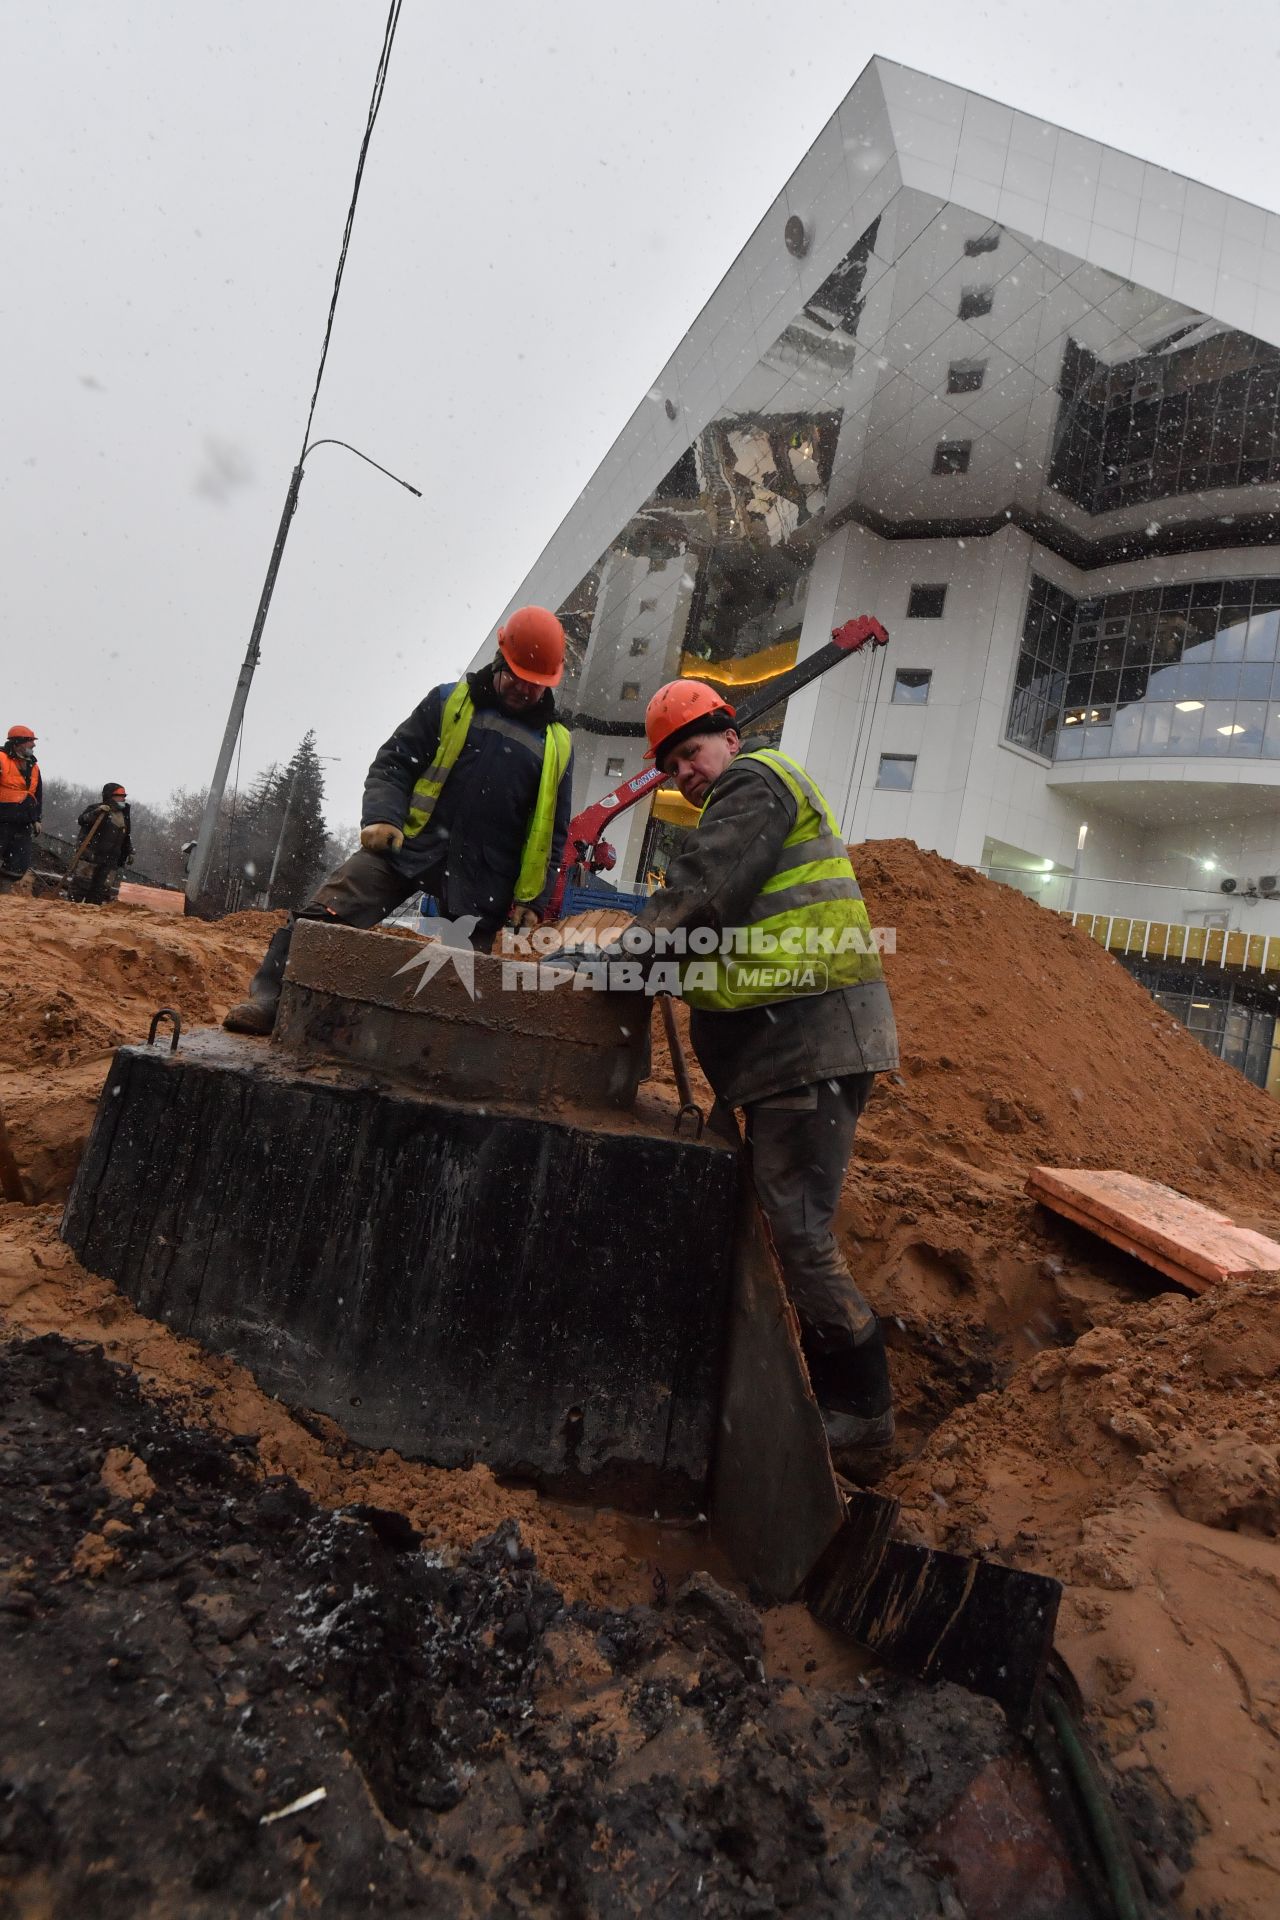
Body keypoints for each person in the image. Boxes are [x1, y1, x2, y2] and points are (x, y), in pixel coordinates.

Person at [611, 679, 900, 1481]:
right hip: (790, 1046)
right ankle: (813, 1383)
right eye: (670, 765)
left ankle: (863, 1413)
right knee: (780, 1222)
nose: (684, 772)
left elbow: (705, 890)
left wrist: (630, 954)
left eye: (691, 751)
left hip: (809, 1041)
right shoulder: (748, 796)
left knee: (797, 1226)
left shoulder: (756, 782)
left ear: (729, 737)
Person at [223, 607, 575, 1034]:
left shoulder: (557, 745)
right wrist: (383, 818)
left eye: (535, 683)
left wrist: (532, 901)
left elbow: (550, 833)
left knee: (458, 979)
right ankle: (269, 999)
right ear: (501, 660)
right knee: (327, 915)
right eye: (518, 675)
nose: (524, 688)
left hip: (483, 876)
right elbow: (394, 764)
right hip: (408, 844)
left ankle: (429, 1053)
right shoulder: (449, 702)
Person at [68, 784, 133, 904]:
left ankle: (91, 916)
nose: (123, 799)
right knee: (80, 886)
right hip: (91, 856)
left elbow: (126, 836)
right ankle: (70, 911)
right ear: (110, 796)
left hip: (110, 860)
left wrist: (129, 851)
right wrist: (97, 812)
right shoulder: (96, 809)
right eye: (120, 796)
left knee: (100, 891)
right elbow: (82, 820)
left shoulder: (124, 816)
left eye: (124, 796)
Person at [0, 725, 42, 894]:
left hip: (24, 820)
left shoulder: (34, 765)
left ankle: (4, 894)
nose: (33, 745)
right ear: (18, 743)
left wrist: (37, 818)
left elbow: (38, 793)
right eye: (30, 742)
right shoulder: (1, 758)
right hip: (2, 818)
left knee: (18, 863)